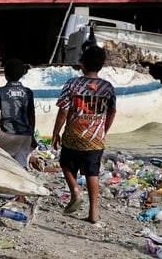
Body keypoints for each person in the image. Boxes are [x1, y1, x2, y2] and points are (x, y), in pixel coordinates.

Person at [52, 45, 116, 224]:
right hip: (95, 140)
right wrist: (103, 131)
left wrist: (56, 133)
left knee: (65, 164)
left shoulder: (72, 84)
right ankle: (93, 214)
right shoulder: (107, 87)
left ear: (82, 64)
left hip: (73, 136)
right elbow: (111, 112)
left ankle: (75, 192)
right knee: (92, 172)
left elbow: (64, 111)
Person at [0, 58, 36, 203]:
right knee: (21, 165)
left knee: (1, 161)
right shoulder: (28, 92)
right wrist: (32, 135)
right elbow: (31, 115)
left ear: (6, 75)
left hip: (8, 133)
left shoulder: (1, 92)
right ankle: (20, 196)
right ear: (22, 74)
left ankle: (1, 189)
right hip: (25, 134)